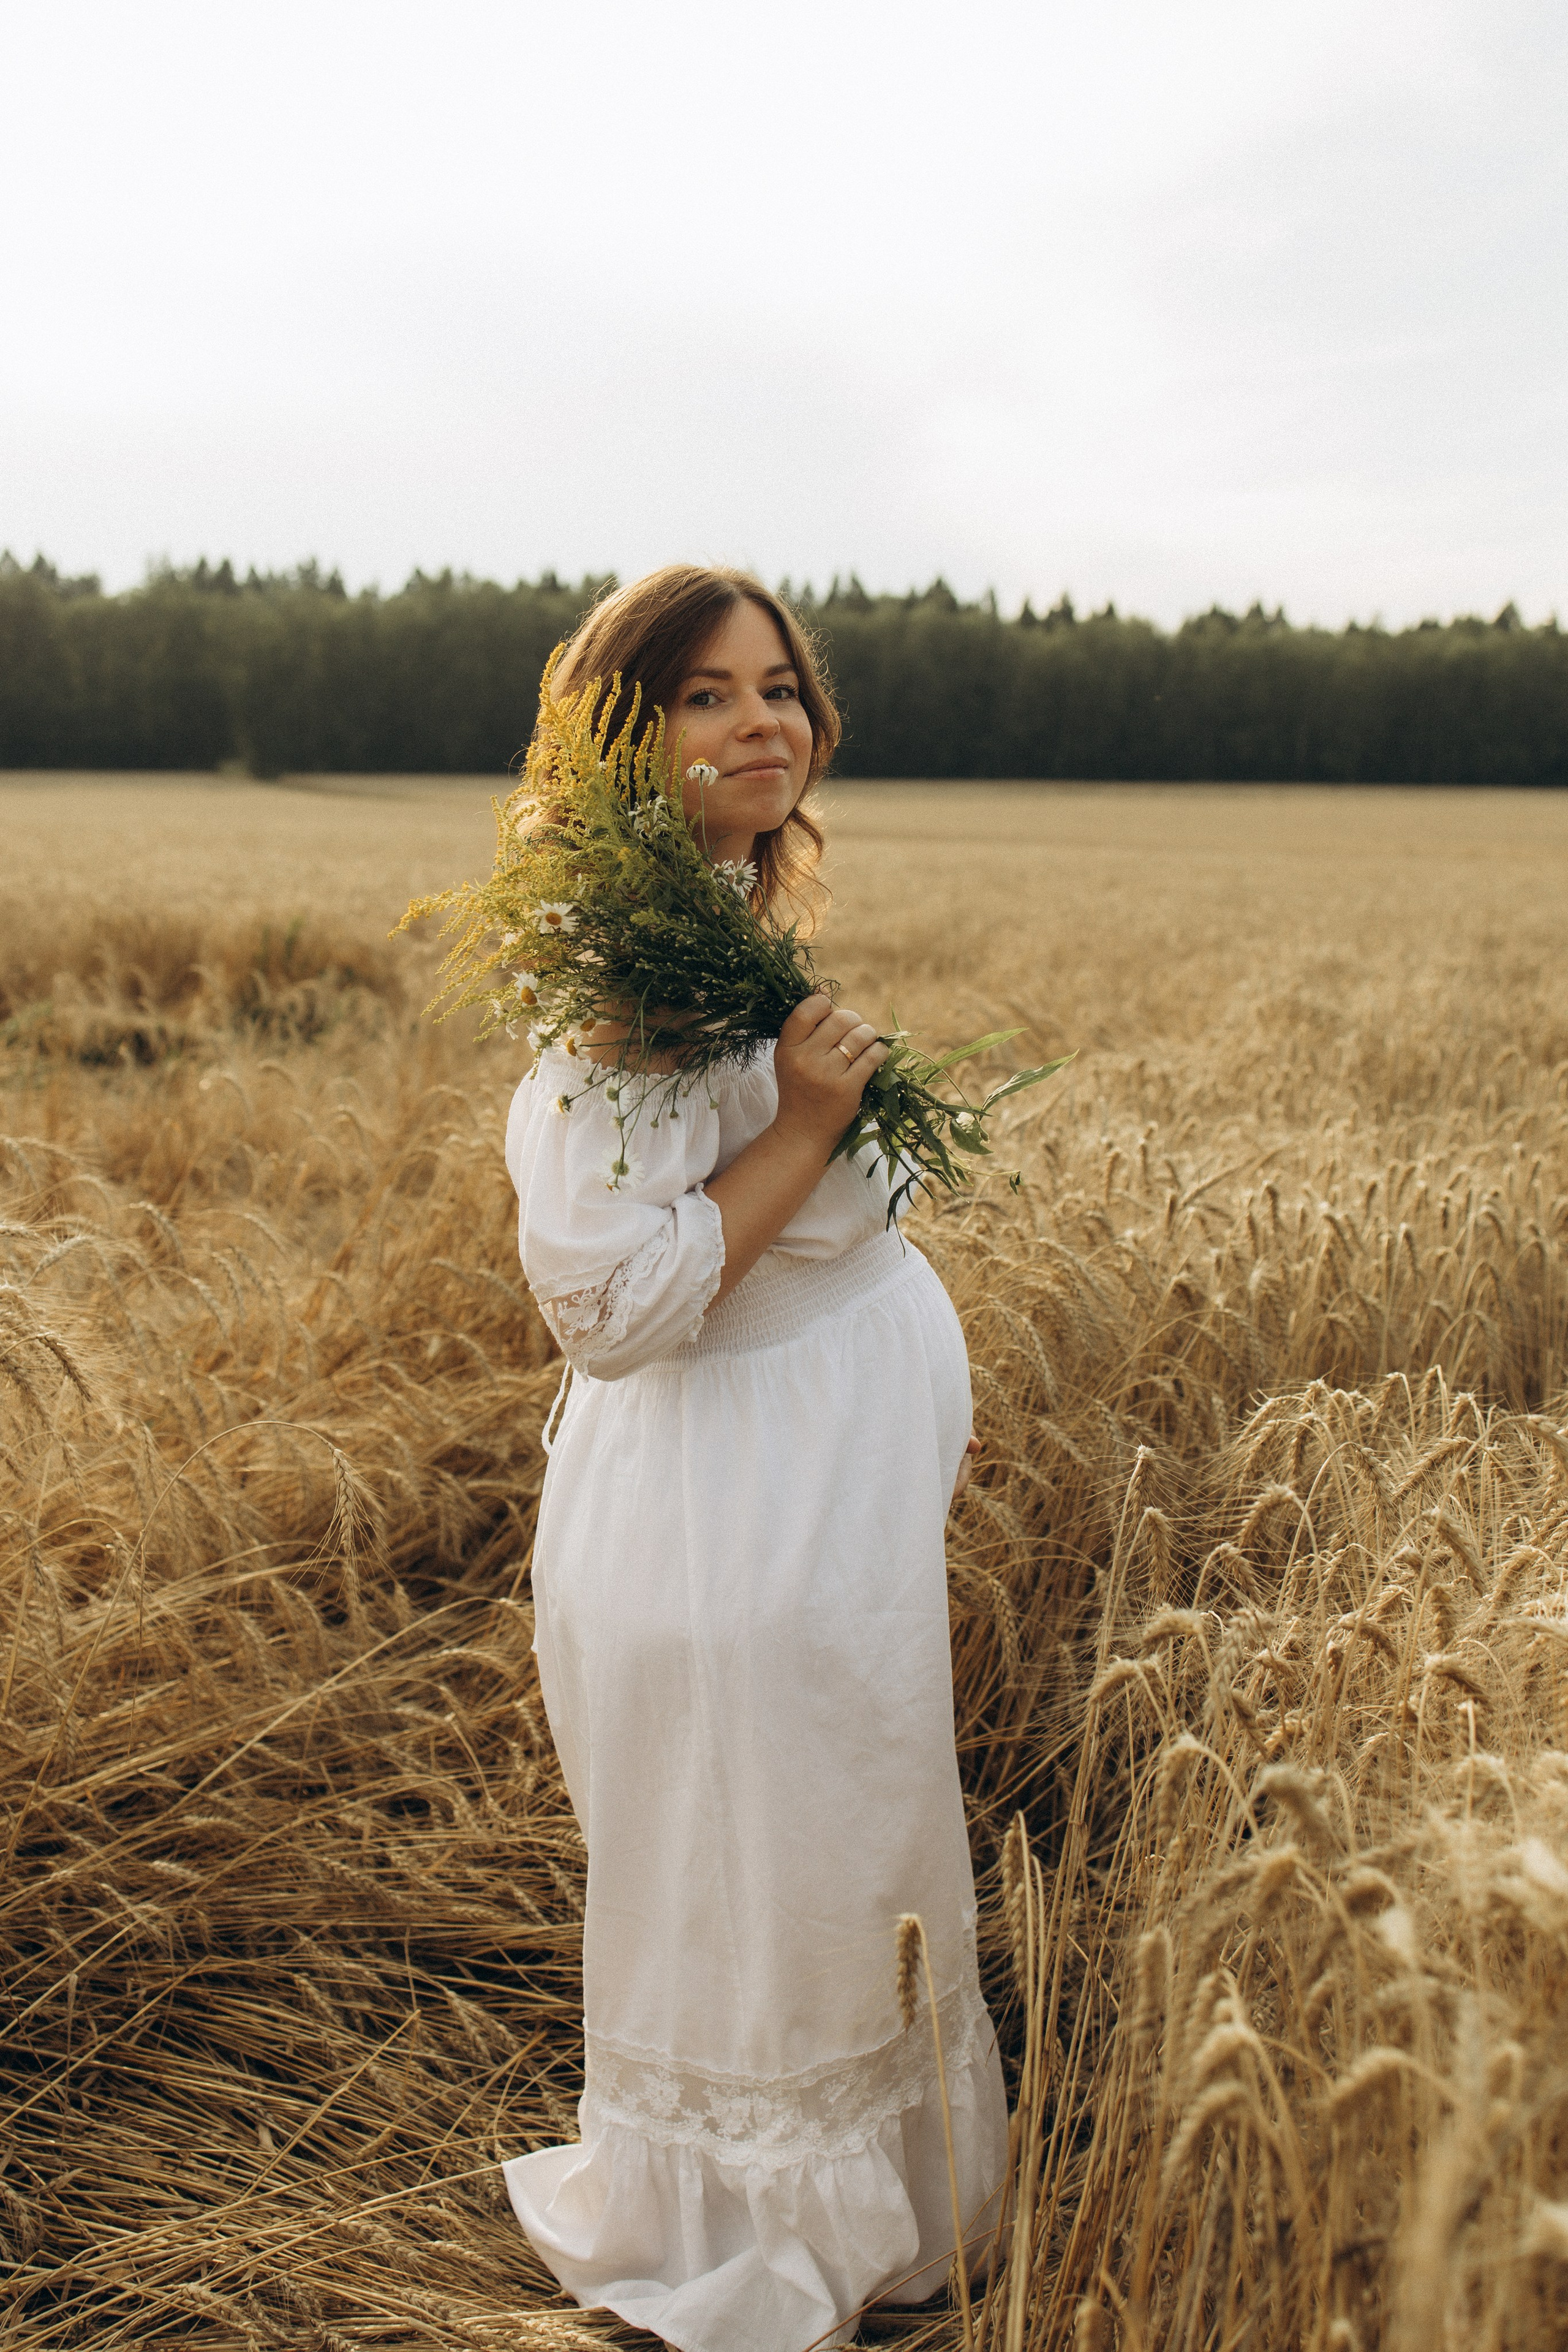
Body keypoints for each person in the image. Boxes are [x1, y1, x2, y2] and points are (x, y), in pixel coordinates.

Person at [500, 565, 1008, 2352]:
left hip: (808, 1508)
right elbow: (608, 1299)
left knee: (835, 1861)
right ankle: (763, 2233)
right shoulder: (621, 979)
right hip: (734, 1522)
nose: (760, 722)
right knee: (767, 1876)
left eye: (779, 686)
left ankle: (870, 2215)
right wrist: (810, 1122)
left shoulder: (712, 920)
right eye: (705, 695)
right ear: (621, 736)